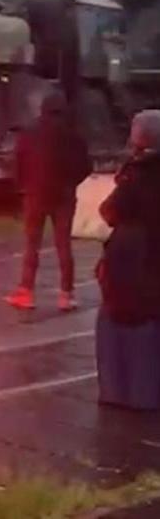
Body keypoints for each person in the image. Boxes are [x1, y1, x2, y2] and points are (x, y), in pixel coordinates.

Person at [5, 91, 93, 311]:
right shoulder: (74, 136)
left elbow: (18, 162)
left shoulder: (29, 132)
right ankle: (66, 295)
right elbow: (86, 166)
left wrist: (23, 186)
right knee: (63, 245)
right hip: (64, 196)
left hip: (35, 195)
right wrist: (71, 182)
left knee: (32, 244)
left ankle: (26, 293)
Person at [96, 110, 160, 409]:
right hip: (151, 261)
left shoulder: (137, 174)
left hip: (131, 260)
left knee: (118, 320)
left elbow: (109, 211)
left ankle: (118, 392)